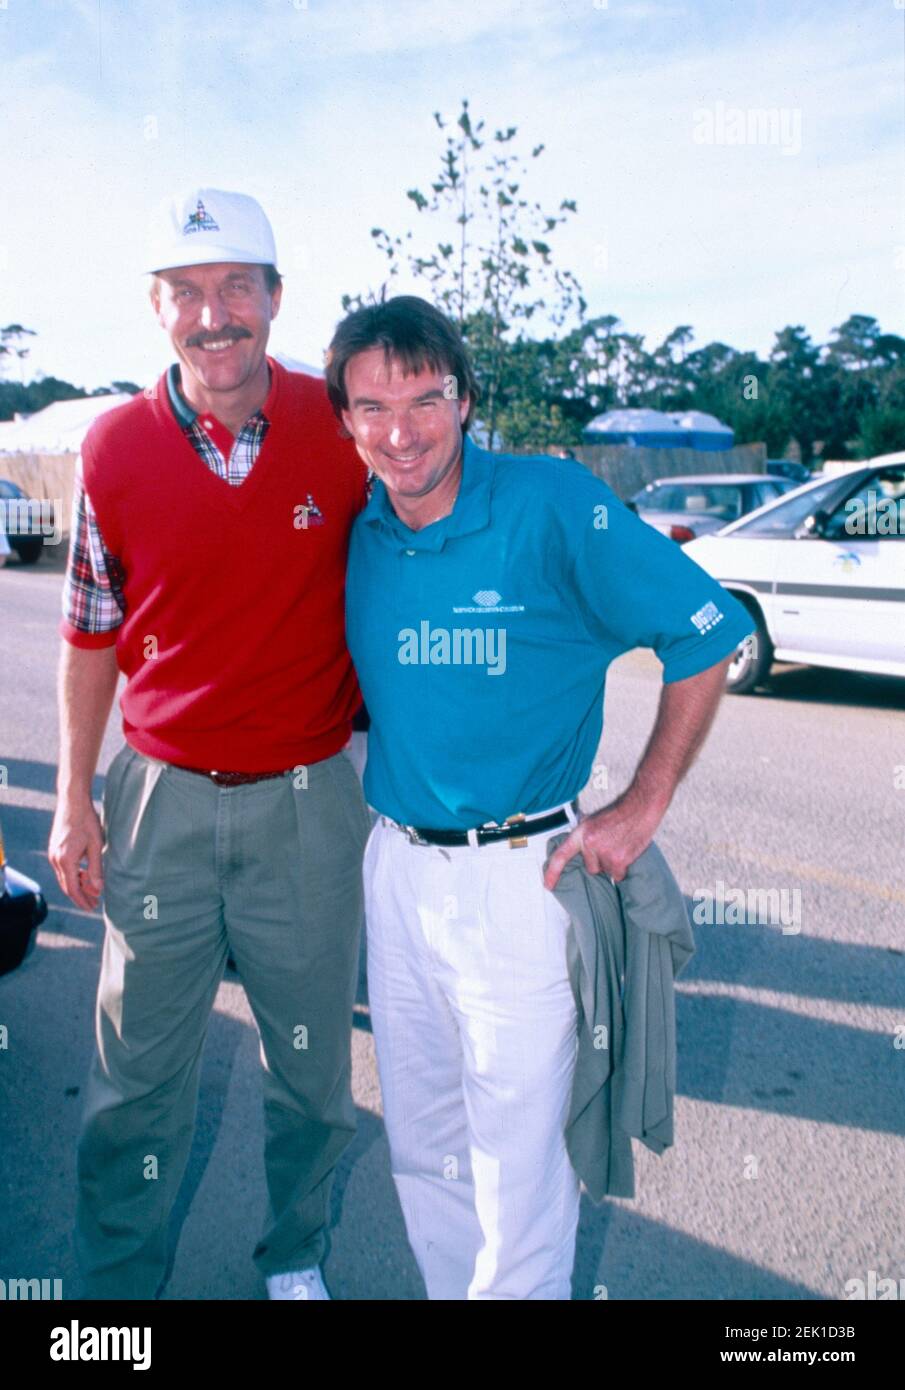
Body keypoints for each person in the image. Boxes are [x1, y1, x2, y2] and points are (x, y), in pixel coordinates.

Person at [326, 294, 754, 1300]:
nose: (399, 431)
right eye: (370, 406)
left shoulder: (552, 503)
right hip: (393, 869)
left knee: (517, 1165)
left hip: (520, 876)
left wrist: (641, 803)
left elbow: (705, 630)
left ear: (464, 398)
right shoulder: (363, 534)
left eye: (423, 399)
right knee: (421, 1142)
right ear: (344, 420)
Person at [49, 187, 371, 1301]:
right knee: (133, 1083)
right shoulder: (114, 448)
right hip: (159, 802)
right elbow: (91, 637)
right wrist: (70, 798)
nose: (213, 313)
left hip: (308, 798)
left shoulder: (341, 425)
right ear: (156, 310)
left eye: (236, 286)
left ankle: (293, 1258)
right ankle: (115, 1293)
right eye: (186, 292)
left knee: (313, 1075)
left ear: (276, 300)